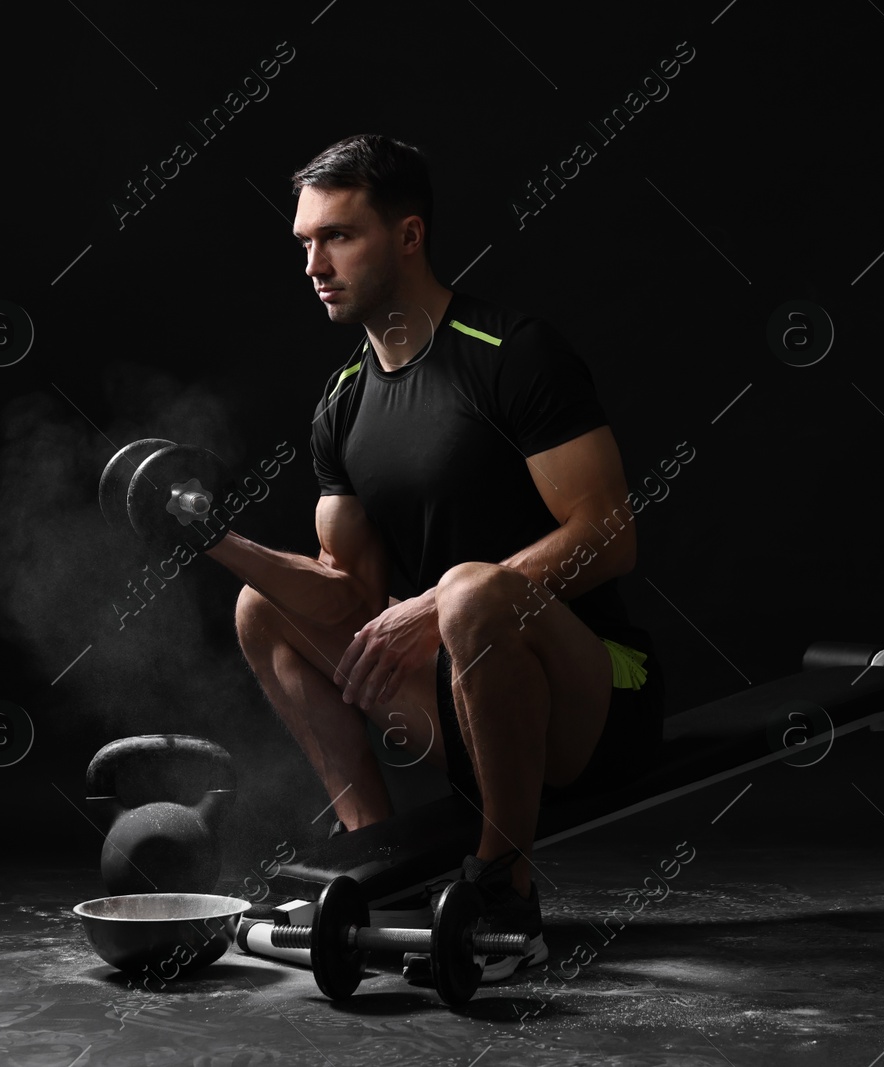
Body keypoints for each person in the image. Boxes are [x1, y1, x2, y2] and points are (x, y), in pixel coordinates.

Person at [205, 133, 664, 980]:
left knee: (468, 591)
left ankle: (505, 891)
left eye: (338, 236)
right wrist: (217, 542)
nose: (314, 264)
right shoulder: (341, 407)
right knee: (261, 605)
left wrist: (443, 604)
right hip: (464, 704)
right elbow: (347, 591)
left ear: (409, 237)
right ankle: (381, 863)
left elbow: (610, 534)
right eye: (305, 242)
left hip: (596, 701)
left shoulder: (512, 353)